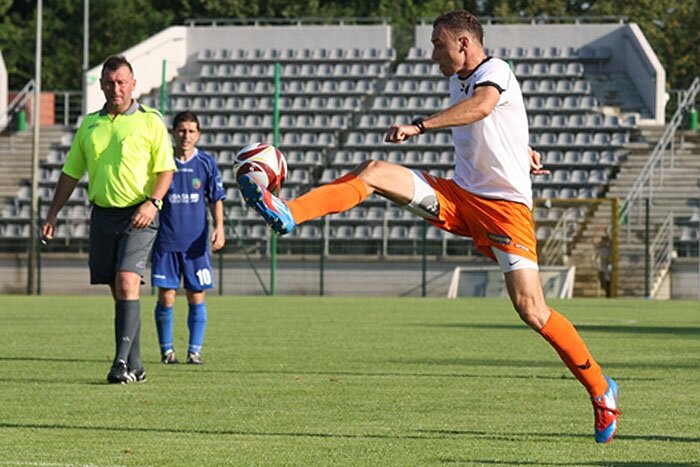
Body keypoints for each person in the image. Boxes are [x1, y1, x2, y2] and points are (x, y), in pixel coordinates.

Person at [238, 10, 620, 443]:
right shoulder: (461, 80)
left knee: (532, 310)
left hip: (504, 210)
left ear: (463, 43)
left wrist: (419, 126)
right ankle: (289, 213)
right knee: (374, 171)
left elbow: (483, 107)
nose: (432, 54)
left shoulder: (495, 70)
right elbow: (496, 120)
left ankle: (600, 388)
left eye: (438, 44)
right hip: (459, 198)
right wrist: (524, 148)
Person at [42, 55, 176, 384]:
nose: (116, 88)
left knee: (128, 281)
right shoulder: (90, 124)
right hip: (103, 215)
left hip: (139, 214)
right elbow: (71, 173)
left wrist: (153, 203)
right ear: (101, 85)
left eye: (121, 82)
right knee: (119, 290)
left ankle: (120, 364)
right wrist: (53, 213)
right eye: (109, 83)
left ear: (133, 84)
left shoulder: (150, 121)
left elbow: (165, 169)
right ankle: (137, 365)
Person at [151, 111, 226, 365]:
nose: (186, 135)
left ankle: (194, 351)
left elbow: (216, 198)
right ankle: (167, 351)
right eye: (182, 130)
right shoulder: (163, 161)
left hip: (196, 245)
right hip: (166, 242)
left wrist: (220, 227)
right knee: (166, 296)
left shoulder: (205, 162)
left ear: (198, 134)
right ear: (173, 133)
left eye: (191, 131)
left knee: (196, 295)